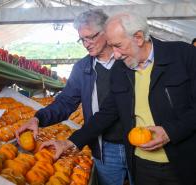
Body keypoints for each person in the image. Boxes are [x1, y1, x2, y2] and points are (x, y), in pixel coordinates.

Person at [41, 13, 196, 185]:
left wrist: (170, 132)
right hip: (142, 164)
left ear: (138, 37)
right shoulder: (122, 69)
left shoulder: (184, 55)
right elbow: (107, 112)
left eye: (118, 46)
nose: (115, 55)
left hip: (184, 160)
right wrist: (70, 142)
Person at [16, 9, 132, 185]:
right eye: (82, 39)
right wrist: (38, 118)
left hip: (137, 143)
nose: (86, 44)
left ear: (106, 31)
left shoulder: (128, 60)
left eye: (91, 37)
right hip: (104, 147)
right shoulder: (83, 68)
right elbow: (65, 102)